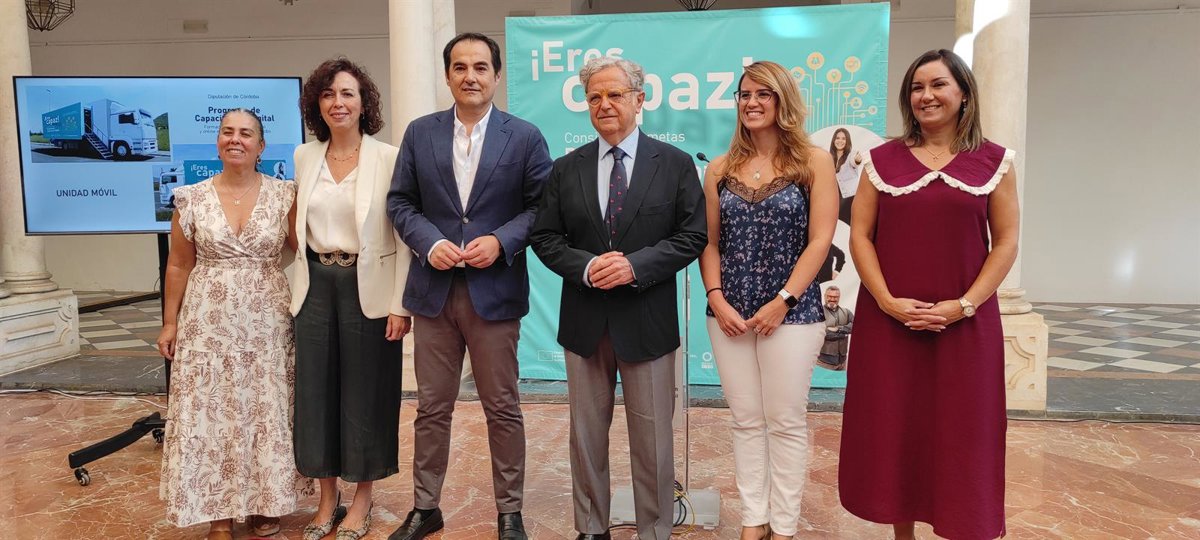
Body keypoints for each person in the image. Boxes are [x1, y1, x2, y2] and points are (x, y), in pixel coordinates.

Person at [838, 49, 1019, 540]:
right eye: (917, 87)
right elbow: (861, 236)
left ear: (964, 94)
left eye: (938, 85)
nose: (926, 96)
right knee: (897, 430)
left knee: (964, 433)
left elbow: (1005, 241)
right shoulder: (879, 160)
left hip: (966, 326)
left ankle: (961, 526)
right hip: (889, 324)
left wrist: (965, 305)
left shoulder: (995, 161)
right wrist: (887, 301)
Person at [530, 56, 707, 540]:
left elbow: (692, 235)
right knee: (586, 437)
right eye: (594, 97)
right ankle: (592, 527)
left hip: (647, 322)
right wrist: (586, 268)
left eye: (615, 94)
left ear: (639, 99)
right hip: (584, 323)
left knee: (653, 440)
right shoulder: (566, 168)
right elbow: (545, 238)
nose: (604, 104)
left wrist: (635, 266)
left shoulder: (674, 164)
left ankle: (655, 529)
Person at [386, 32, 552, 540]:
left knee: (502, 407)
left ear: (497, 75)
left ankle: (509, 512)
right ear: (448, 75)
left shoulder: (524, 136)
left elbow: (542, 208)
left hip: (494, 292)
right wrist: (429, 241)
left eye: (481, 67)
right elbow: (400, 202)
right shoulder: (420, 133)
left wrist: (501, 241)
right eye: (460, 67)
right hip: (433, 293)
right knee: (431, 408)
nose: (470, 76)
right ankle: (425, 507)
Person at [698, 60, 838, 540]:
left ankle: (784, 526)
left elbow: (820, 240)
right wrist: (716, 299)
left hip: (793, 314)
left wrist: (783, 300)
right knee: (744, 420)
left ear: (783, 100)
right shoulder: (719, 169)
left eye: (764, 94)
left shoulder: (813, 162)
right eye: (745, 94)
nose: (752, 102)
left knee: (785, 420)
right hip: (729, 316)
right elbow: (709, 242)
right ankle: (753, 520)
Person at [157, 108, 312, 540]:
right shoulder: (191, 198)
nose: (235, 140)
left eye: (246, 133)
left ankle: (265, 502)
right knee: (212, 411)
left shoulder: (285, 195)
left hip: (267, 320)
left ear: (261, 146)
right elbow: (178, 264)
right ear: (218, 142)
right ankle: (218, 513)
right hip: (207, 321)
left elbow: (304, 251)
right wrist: (169, 323)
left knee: (265, 407)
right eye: (228, 132)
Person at [290, 57, 412, 540]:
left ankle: (362, 497)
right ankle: (327, 498)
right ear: (316, 105)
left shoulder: (389, 157)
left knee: (367, 395)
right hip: (316, 285)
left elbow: (403, 237)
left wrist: (401, 304)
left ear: (364, 103)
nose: (337, 103)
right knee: (315, 395)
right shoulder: (304, 156)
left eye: (347, 94)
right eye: (328, 94)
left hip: (371, 287)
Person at [818, 285, 853, 370]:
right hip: (823, 362)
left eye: (835, 297)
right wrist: (845, 333)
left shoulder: (846, 312)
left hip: (842, 362)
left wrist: (838, 329)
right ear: (825, 296)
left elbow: (855, 326)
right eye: (830, 296)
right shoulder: (819, 312)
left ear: (839, 297)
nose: (832, 299)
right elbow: (825, 334)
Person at [830, 127, 858, 224]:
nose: (840, 141)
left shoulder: (851, 155)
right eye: (837, 138)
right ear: (834, 140)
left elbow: (854, 162)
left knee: (846, 224)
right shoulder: (829, 157)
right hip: (833, 196)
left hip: (848, 197)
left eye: (843, 138)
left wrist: (857, 160)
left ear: (847, 141)